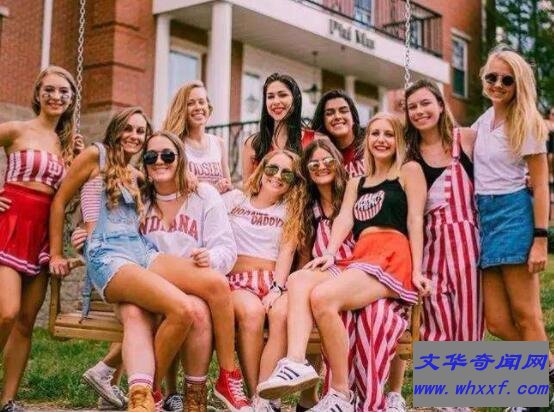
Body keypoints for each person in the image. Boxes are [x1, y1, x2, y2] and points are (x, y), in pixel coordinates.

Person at [49, 109, 250, 412]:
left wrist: (186, 173)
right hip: (110, 255)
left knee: (215, 283)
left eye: (140, 131)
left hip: (142, 251)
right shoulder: (95, 155)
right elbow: (61, 201)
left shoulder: (139, 177)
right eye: (128, 128)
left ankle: (227, 377)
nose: (134, 136)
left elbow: (157, 184)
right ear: (115, 129)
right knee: (184, 309)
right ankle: (146, 393)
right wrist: (58, 251)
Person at [258, 113, 430, 411]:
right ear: (366, 140)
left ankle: (340, 392)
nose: (381, 140)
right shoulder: (357, 182)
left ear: (398, 140)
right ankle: (296, 362)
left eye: (388, 134)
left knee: (323, 297)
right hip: (360, 257)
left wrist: (417, 269)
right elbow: (344, 219)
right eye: (375, 133)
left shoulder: (408, 170)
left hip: (391, 257)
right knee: (299, 279)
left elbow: (415, 219)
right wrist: (330, 252)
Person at [0, 66, 82, 412]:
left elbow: (71, 199)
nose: (56, 96)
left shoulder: (69, 144)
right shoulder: (17, 129)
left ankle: (8, 399)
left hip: (43, 235)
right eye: (49, 89)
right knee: (6, 313)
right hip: (9, 225)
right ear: (37, 93)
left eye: (64, 92)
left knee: (24, 323)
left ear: (71, 100)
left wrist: (76, 162)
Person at [472, 49, 553, 400]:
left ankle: (530, 397)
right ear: (483, 77)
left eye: (507, 80)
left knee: (526, 315)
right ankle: (546, 367)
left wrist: (540, 239)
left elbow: (541, 185)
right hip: (483, 219)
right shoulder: (482, 121)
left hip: (513, 215)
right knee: (496, 322)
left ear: (518, 84)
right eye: (492, 77)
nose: (498, 84)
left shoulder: (528, 123)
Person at [224, 149, 306, 411]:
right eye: (272, 169)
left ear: (293, 181)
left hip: (272, 280)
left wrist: (277, 288)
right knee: (253, 313)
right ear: (261, 170)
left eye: (287, 173)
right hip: (238, 280)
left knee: (282, 313)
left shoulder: (290, 209)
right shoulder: (235, 199)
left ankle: (264, 396)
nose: (277, 176)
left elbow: (286, 252)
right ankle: (256, 392)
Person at [242, 73, 315, 184]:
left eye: (282, 95)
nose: (276, 101)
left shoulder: (313, 140)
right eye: (270, 97)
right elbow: (247, 189)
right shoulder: (252, 144)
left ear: (295, 99)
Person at [162, 80, 233, 194]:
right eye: (190, 103)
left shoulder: (219, 143)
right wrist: (213, 189)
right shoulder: (174, 144)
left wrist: (225, 186)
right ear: (181, 109)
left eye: (201, 102)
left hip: (217, 204)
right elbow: (169, 188)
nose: (198, 107)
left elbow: (229, 188)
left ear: (208, 107)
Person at [311, 90, 365, 177]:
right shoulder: (321, 155)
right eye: (329, 113)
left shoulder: (370, 144)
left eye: (343, 111)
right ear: (323, 121)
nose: (337, 116)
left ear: (353, 117)